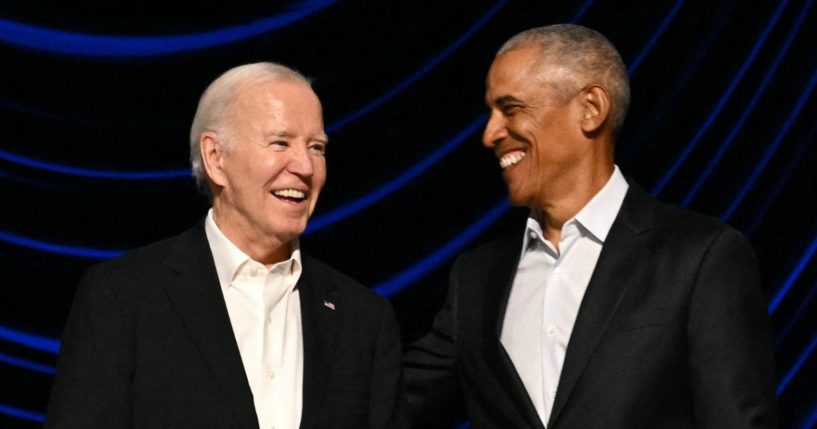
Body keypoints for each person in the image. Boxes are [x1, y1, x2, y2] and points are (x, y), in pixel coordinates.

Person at [404, 24, 777, 428]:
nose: (490, 133)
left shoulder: (699, 257)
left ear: (591, 108)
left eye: (510, 109)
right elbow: (385, 405)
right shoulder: (476, 279)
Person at [46, 62, 408, 429]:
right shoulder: (124, 297)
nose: (305, 166)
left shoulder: (364, 321)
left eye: (317, 147)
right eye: (280, 142)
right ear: (216, 158)